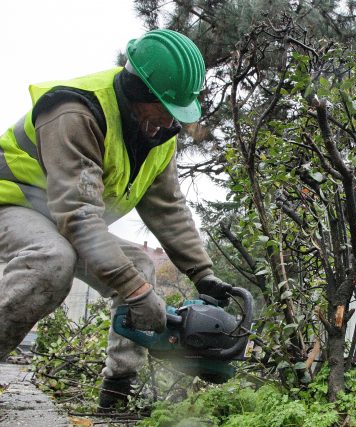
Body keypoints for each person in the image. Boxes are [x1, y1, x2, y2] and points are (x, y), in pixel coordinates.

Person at [0, 29, 232, 410]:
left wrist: (203, 273)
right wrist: (138, 294)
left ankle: (116, 393)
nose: (170, 123)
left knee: (139, 264)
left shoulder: (159, 133)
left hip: (66, 218)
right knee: (52, 259)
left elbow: (168, 207)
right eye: (163, 111)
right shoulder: (75, 112)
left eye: (176, 115)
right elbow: (77, 214)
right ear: (137, 91)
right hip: (12, 204)